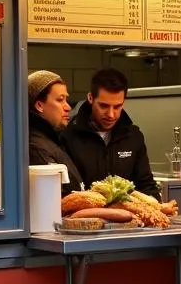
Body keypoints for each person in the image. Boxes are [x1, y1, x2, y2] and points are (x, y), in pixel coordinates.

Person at [64, 67, 159, 197]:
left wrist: (157, 209)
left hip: (128, 214)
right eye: (103, 106)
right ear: (90, 98)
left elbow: (146, 185)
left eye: (117, 106)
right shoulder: (68, 136)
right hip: (85, 215)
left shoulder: (133, 136)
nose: (111, 114)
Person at [27, 69, 84, 195]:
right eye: (60, 100)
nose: (68, 107)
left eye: (66, 99)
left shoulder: (51, 140)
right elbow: (57, 200)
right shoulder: (37, 148)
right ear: (39, 105)